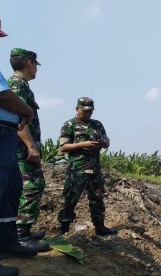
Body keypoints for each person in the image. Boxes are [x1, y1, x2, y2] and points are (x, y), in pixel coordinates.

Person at [0, 19, 40, 268]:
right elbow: (4, 97)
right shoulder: (15, 84)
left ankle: (7, 241)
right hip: (4, 134)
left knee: (11, 188)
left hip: (5, 133)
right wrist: (26, 111)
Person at [8, 48, 49, 252]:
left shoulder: (20, 85)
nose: (36, 70)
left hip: (22, 147)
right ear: (29, 63)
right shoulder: (17, 84)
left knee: (30, 186)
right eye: (35, 66)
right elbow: (19, 119)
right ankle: (21, 235)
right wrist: (31, 146)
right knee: (32, 186)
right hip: (22, 148)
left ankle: (24, 230)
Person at [57, 97, 117, 236]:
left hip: (95, 167)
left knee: (97, 197)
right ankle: (64, 228)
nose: (88, 114)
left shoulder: (97, 124)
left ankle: (100, 226)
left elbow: (107, 141)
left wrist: (104, 143)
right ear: (77, 109)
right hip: (77, 168)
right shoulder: (69, 125)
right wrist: (82, 145)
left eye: (90, 111)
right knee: (71, 198)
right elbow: (63, 147)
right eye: (85, 111)